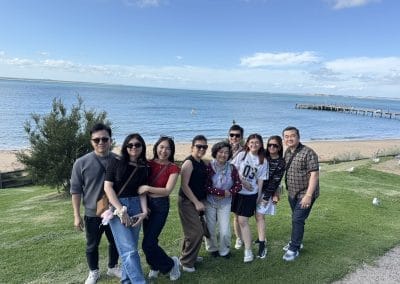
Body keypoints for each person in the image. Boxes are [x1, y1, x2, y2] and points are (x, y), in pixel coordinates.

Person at [70, 123, 121, 284]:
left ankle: (113, 267)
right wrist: (77, 216)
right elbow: (76, 191)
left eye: (104, 139)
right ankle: (93, 271)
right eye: (96, 139)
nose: (101, 142)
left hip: (114, 213)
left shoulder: (119, 160)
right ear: (91, 141)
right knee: (92, 245)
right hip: (92, 213)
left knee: (115, 242)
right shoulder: (81, 163)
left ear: (110, 140)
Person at [103, 133, 148, 283]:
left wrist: (144, 212)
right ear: (125, 147)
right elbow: (108, 187)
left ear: (142, 147)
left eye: (137, 145)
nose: (134, 147)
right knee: (129, 250)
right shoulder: (115, 162)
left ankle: (126, 281)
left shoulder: (143, 167)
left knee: (130, 248)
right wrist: (121, 210)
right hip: (118, 206)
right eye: (130, 145)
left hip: (135, 205)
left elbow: (142, 192)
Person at [138, 136, 181, 281]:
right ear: (156, 147)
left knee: (147, 243)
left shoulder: (173, 168)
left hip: (161, 206)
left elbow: (167, 190)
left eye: (168, 148)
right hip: (146, 205)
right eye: (161, 147)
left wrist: (148, 188)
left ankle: (171, 264)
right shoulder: (148, 164)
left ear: (172, 151)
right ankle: (154, 266)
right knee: (151, 240)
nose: (164, 151)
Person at [282, 126, 319, 261]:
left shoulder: (308, 153)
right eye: (286, 136)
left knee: (297, 219)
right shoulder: (287, 152)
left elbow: (314, 175)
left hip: (305, 193)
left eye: (292, 136)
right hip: (292, 193)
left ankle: (294, 248)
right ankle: (296, 242)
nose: (289, 138)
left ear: (298, 137)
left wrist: (308, 195)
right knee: (297, 219)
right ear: (284, 139)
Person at [231, 133, 268, 263]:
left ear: (261, 145)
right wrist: (242, 181)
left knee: (243, 220)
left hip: (250, 195)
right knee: (236, 217)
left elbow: (261, 180)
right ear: (247, 143)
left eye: (257, 142)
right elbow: (233, 169)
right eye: (251, 142)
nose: (254, 145)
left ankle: (248, 250)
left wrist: (258, 196)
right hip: (237, 191)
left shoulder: (263, 160)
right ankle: (239, 238)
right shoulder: (242, 155)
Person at [204, 141, 242, 258]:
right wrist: (219, 192)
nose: (223, 155)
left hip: (225, 203)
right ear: (215, 153)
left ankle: (224, 250)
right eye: (221, 152)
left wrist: (228, 193)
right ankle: (212, 249)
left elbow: (238, 185)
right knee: (210, 228)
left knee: (225, 230)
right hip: (210, 202)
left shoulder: (232, 168)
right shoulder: (209, 167)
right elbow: (205, 186)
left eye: (226, 152)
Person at [178, 135, 208, 272]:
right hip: (187, 201)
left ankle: (189, 256)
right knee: (196, 232)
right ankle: (186, 262)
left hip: (197, 201)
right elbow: (184, 185)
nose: (202, 149)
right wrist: (196, 202)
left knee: (191, 232)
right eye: (199, 146)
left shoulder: (201, 162)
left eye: (204, 147)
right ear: (192, 147)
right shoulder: (188, 163)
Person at [254, 135, 286, 259]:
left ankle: (262, 246)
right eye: (270, 145)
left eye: (275, 145)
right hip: (255, 190)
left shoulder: (281, 162)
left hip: (266, 192)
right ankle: (262, 237)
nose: (272, 147)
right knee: (257, 216)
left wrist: (266, 197)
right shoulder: (263, 156)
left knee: (259, 216)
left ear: (279, 147)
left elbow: (275, 182)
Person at [227, 124, 245, 250]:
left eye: (237, 135)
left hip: (239, 188)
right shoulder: (223, 149)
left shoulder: (245, 151)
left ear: (241, 137)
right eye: (232, 135)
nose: (234, 137)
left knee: (238, 215)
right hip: (223, 187)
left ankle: (240, 238)